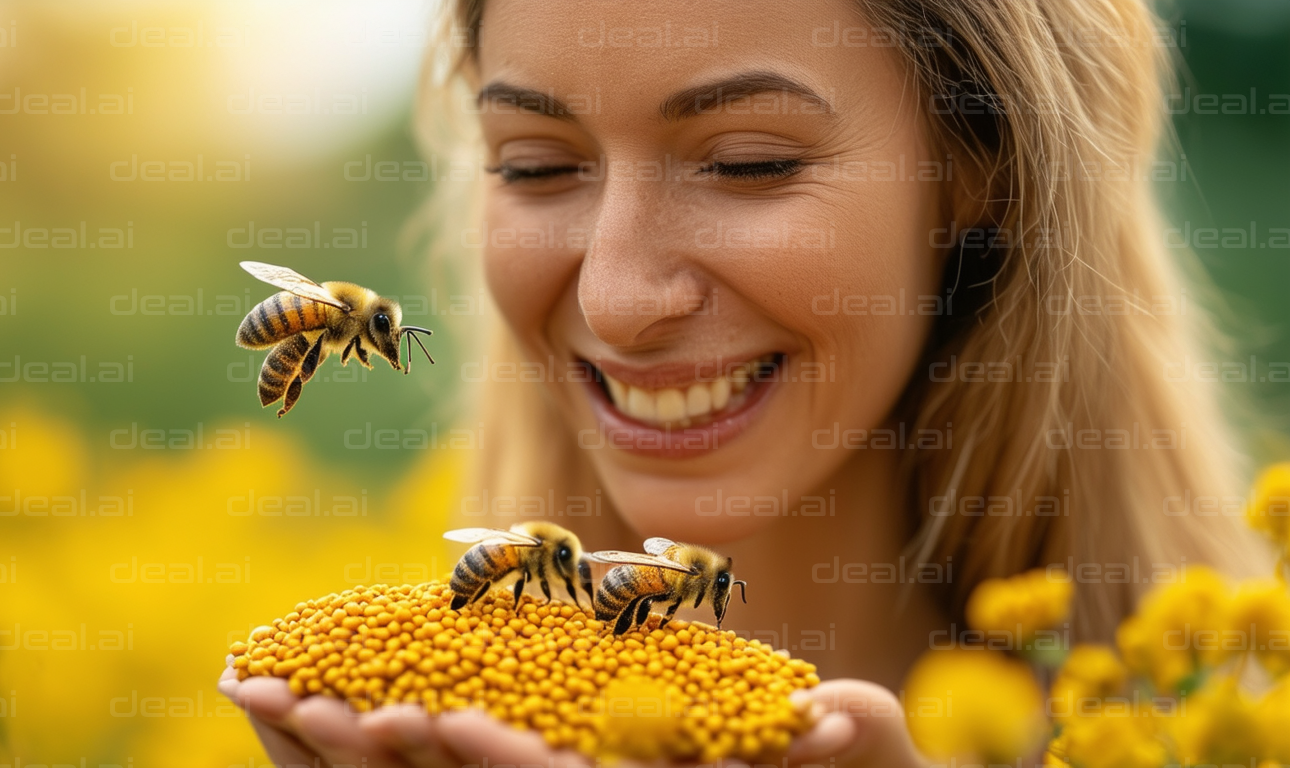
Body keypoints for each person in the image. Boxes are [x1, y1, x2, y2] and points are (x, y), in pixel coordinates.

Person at [220, 0, 1265, 764]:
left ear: (976, 169)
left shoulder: (1234, 719)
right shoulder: (406, 707)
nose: (620, 298)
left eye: (749, 161)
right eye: (537, 165)